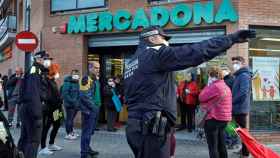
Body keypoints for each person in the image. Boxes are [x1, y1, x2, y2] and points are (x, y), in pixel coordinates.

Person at [124, 25, 255, 158]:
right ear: (152, 38)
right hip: (151, 127)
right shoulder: (155, 54)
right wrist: (231, 39)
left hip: (136, 126)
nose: (166, 42)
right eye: (163, 38)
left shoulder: (132, 62)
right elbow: (194, 51)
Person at [18, 50, 52, 158]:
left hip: (28, 108)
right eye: (46, 59)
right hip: (33, 110)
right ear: (39, 59)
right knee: (33, 140)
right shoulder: (35, 70)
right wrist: (37, 114)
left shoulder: (36, 70)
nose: (48, 61)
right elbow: (33, 93)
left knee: (25, 138)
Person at [199, 66, 232, 158]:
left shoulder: (214, 86)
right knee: (221, 144)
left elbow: (201, 97)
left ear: (211, 75)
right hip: (224, 120)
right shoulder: (226, 86)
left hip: (213, 119)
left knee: (213, 146)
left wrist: (207, 86)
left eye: (209, 75)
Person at [39, 64, 63, 155]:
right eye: (57, 71)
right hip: (49, 109)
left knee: (57, 124)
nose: (58, 73)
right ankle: (43, 147)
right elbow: (48, 96)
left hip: (56, 109)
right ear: (53, 72)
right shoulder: (46, 81)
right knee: (46, 127)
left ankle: (51, 143)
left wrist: (59, 99)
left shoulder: (53, 81)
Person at [231, 56, 251, 158]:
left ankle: (245, 153)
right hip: (237, 108)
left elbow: (243, 92)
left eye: (237, 62)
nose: (234, 64)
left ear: (242, 63)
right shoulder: (238, 75)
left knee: (243, 133)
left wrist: (232, 101)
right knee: (240, 132)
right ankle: (243, 151)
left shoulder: (243, 75)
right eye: (233, 62)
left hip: (240, 109)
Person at [79, 76, 99, 158]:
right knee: (86, 133)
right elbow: (84, 95)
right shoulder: (86, 79)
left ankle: (87, 149)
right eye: (96, 68)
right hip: (89, 111)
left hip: (91, 110)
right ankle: (84, 153)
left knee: (88, 132)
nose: (97, 70)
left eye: (98, 68)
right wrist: (93, 107)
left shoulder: (94, 80)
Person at [61, 69, 80, 140]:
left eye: (77, 74)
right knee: (69, 119)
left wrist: (78, 102)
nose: (76, 75)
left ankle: (71, 132)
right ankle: (68, 133)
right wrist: (73, 101)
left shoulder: (76, 83)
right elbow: (65, 94)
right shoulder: (67, 82)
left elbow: (78, 93)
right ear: (71, 74)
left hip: (75, 105)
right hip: (69, 105)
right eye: (74, 74)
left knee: (71, 119)